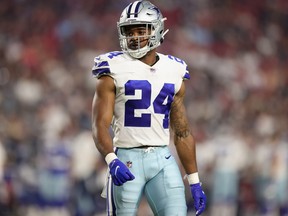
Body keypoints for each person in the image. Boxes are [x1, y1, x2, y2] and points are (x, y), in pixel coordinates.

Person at [91, 1, 207, 215]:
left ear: (156, 30)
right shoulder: (112, 69)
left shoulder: (174, 69)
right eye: (129, 31)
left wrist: (194, 180)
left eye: (140, 30)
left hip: (162, 159)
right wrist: (111, 159)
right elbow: (99, 124)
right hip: (126, 159)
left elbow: (181, 131)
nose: (134, 37)